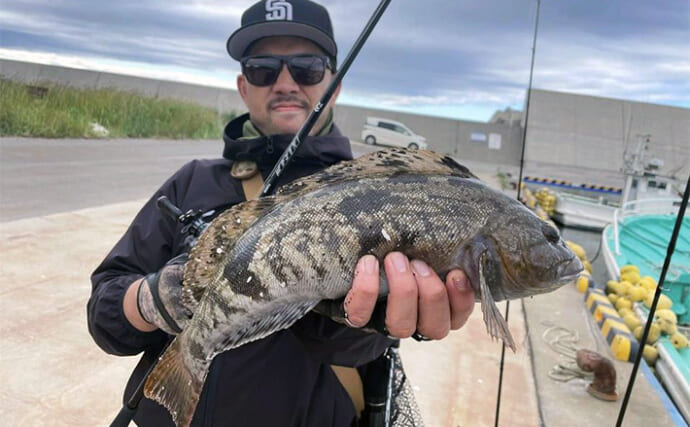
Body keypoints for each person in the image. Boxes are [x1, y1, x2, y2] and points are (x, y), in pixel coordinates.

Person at [87, 1, 475, 425]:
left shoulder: (377, 197)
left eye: (306, 68)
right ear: (243, 86)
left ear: (334, 84)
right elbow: (106, 320)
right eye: (263, 69)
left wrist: (377, 320)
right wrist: (151, 298)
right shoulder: (192, 181)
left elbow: (354, 349)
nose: (285, 82)